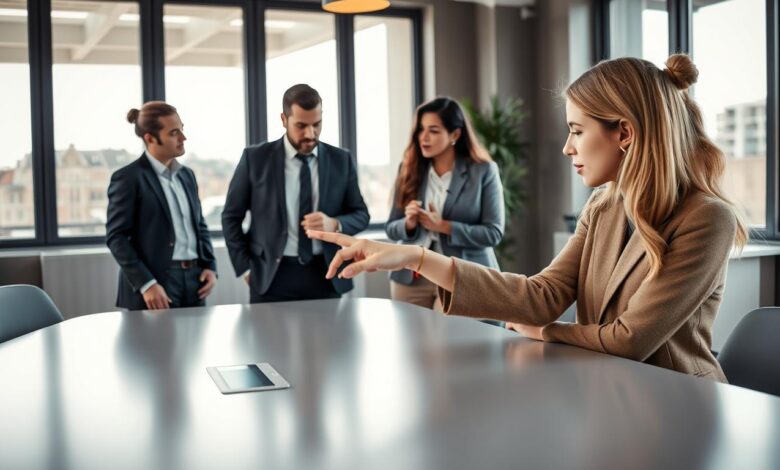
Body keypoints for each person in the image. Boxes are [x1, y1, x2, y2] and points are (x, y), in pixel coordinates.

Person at [307, 54, 748, 382]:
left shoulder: (707, 219)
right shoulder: (604, 205)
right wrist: (414, 257)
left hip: (681, 405)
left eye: (577, 131)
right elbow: (543, 294)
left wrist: (547, 332)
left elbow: (630, 339)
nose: (567, 147)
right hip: (610, 392)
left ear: (625, 133)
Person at [221, 84, 369, 302]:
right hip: (271, 277)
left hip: (327, 274)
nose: (310, 134)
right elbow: (231, 217)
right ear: (284, 119)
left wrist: (334, 224)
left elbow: (361, 214)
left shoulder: (341, 160)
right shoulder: (255, 159)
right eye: (301, 125)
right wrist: (245, 267)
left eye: (316, 124)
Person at [386, 97, 504, 312]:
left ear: (455, 135)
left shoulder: (484, 171)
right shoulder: (408, 168)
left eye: (433, 130)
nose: (424, 137)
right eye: (421, 130)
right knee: (409, 334)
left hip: (461, 275)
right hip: (411, 277)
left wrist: (444, 226)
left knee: (448, 334)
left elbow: (493, 233)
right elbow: (392, 228)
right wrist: (409, 224)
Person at [106, 101, 217, 310]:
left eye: (182, 129)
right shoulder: (128, 178)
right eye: (174, 133)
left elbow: (199, 224)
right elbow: (117, 238)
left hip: (195, 280)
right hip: (156, 283)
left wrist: (210, 266)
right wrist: (146, 284)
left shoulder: (187, 175)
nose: (183, 138)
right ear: (150, 138)